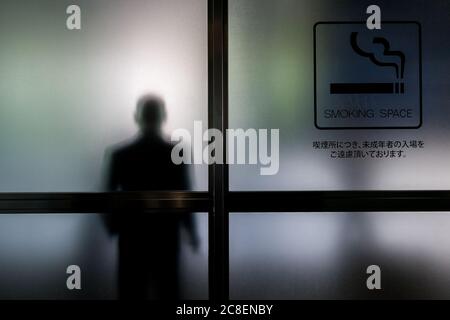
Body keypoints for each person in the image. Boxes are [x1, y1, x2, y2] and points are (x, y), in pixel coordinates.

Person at [104, 95, 199, 299]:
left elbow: (107, 197)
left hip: (132, 235)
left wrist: (113, 226)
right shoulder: (177, 153)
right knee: (168, 291)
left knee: (132, 292)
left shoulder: (120, 155)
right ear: (163, 116)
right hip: (165, 234)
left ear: (136, 117)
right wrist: (191, 231)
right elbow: (184, 195)